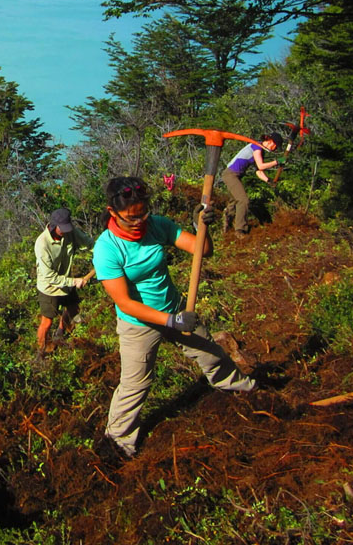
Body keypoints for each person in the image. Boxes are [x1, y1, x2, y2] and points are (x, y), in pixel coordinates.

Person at [93, 177, 256, 458]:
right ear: (113, 213)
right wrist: (170, 322)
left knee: (212, 355)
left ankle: (247, 393)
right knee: (135, 385)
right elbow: (125, 303)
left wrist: (201, 226)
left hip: (175, 308)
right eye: (131, 217)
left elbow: (203, 250)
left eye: (143, 212)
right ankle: (118, 443)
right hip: (139, 324)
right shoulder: (107, 249)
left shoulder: (157, 225)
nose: (139, 221)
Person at [34, 207, 95, 357]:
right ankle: (40, 352)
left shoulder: (70, 233)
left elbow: (89, 244)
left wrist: (104, 254)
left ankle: (60, 334)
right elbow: (49, 276)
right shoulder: (42, 244)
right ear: (53, 226)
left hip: (67, 284)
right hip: (50, 287)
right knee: (47, 322)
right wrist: (75, 281)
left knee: (73, 310)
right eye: (62, 228)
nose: (65, 232)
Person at [221, 132, 284, 237]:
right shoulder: (256, 146)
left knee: (234, 202)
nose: (275, 149)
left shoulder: (259, 150)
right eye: (276, 146)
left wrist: (268, 180)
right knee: (243, 200)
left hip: (235, 176)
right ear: (271, 142)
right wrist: (277, 162)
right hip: (230, 174)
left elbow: (258, 171)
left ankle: (227, 228)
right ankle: (240, 230)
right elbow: (261, 165)